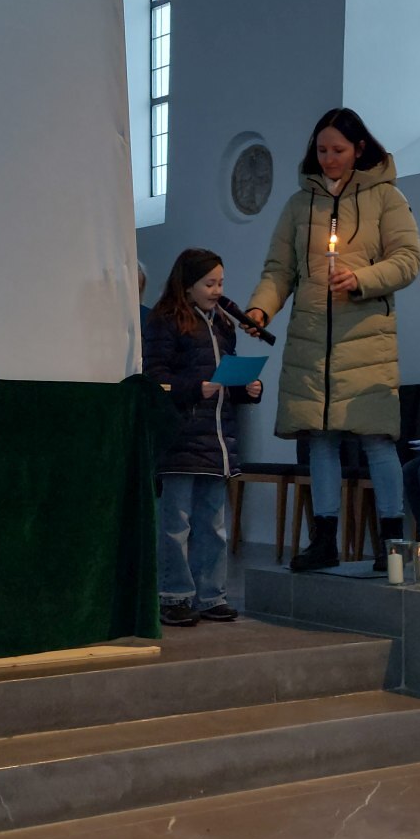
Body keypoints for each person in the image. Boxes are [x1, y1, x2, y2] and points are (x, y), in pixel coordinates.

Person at [244, 108, 420, 571]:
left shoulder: (387, 197)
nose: (328, 158)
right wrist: (261, 308)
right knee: (320, 438)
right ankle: (324, 539)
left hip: (365, 337)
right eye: (322, 150)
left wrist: (361, 278)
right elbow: (279, 270)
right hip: (311, 338)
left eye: (338, 150)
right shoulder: (299, 205)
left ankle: (391, 543)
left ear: (359, 148)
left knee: (377, 438)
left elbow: (408, 259)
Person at [143, 248, 262, 625]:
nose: (217, 290)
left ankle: (212, 596)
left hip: (217, 439)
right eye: (209, 284)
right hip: (180, 438)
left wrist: (247, 389)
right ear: (187, 285)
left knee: (214, 524)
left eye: (221, 283)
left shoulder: (223, 324)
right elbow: (155, 380)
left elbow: (225, 381)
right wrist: (195, 388)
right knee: (176, 524)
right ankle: (174, 595)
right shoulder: (165, 321)